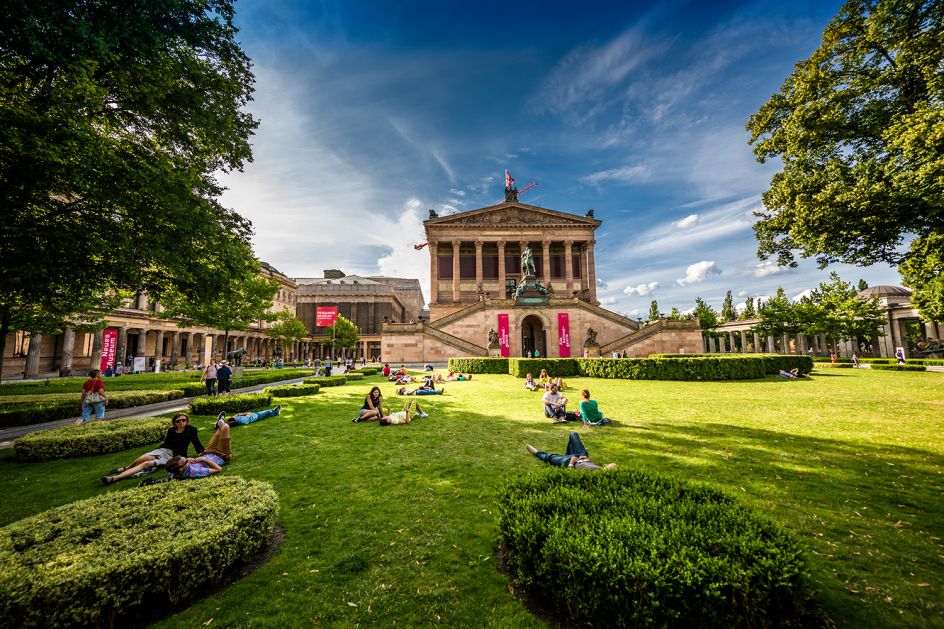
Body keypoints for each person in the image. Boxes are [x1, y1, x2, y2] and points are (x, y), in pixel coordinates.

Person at [101, 413, 204, 484]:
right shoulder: (171, 431)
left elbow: (196, 443)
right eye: (178, 421)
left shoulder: (191, 430)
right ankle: (127, 468)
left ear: (187, 421)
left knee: (145, 463)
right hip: (163, 450)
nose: (181, 422)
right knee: (143, 458)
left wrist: (202, 453)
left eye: (184, 420)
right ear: (175, 422)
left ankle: (115, 478)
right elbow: (166, 443)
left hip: (174, 456)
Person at [165, 420, 235, 480]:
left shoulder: (174, 470)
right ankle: (221, 422)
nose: (187, 460)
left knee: (220, 429)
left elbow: (171, 472)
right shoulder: (195, 472)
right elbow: (219, 469)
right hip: (221, 455)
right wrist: (203, 460)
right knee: (225, 427)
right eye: (186, 461)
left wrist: (188, 460)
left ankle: (220, 423)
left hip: (207, 452)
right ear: (181, 469)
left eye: (186, 459)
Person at [526, 432, 616, 471]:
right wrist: (588, 459)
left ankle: (537, 453)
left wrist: (571, 463)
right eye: (609, 465)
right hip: (582, 456)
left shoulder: (593, 477)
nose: (608, 464)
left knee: (550, 457)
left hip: (569, 462)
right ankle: (569, 454)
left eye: (609, 466)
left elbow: (571, 474)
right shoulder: (600, 469)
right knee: (573, 434)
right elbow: (589, 465)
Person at [216, 405, 281, 427]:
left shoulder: (234, 418)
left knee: (267, 414)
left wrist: (238, 414)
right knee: (267, 412)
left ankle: (221, 420)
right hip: (256, 416)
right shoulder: (240, 418)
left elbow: (237, 416)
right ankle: (275, 412)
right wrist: (240, 414)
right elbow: (248, 414)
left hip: (252, 417)